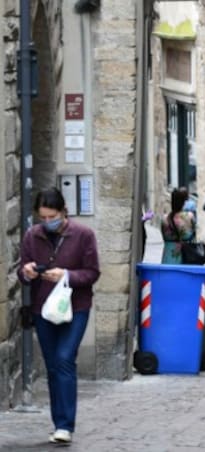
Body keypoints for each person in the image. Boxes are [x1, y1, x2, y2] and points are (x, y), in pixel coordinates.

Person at [18, 188, 101, 445]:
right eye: (42, 217)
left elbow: (92, 273)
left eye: (51, 216)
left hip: (75, 307)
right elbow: (21, 272)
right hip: (44, 309)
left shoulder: (83, 235)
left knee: (65, 358)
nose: (47, 222)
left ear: (63, 211)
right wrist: (28, 272)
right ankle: (59, 423)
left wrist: (65, 275)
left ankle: (65, 425)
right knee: (53, 364)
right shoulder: (33, 236)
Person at [161, 188, 197, 264]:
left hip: (168, 254)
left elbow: (164, 236)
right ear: (183, 202)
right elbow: (193, 234)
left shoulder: (164, 219)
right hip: (186, 254)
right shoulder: (189, 216)